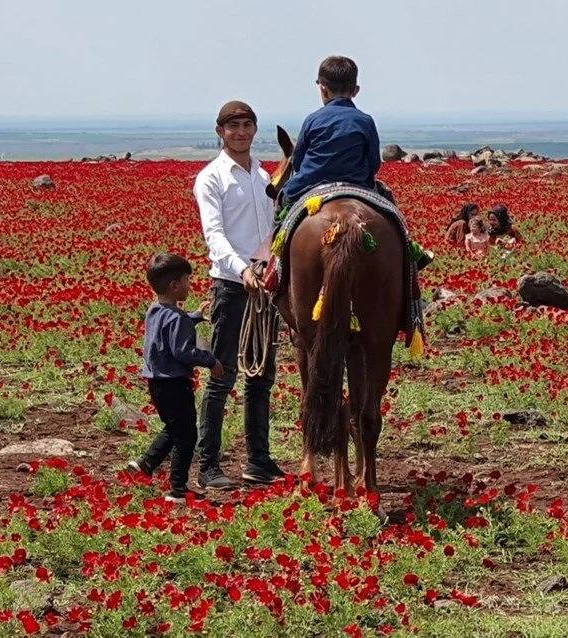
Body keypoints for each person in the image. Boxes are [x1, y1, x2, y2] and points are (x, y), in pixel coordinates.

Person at [193, 100, 285, 489]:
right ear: (220, 131)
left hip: (266, 285)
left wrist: (271, 266)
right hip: (232, 285)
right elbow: (214, 236)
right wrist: (243, 269)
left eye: (247, 125)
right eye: (233, 126)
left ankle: (258, 462)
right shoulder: (212, 178)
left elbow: (276, 226)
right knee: (222, 376)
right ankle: (208, 465)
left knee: (261, 374)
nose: (241, 132)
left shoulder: (264, 175)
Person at [277, 55, 433, 268]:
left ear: (322, 89)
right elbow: (373, 163)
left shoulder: (312, 119)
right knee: (392, 213)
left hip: (311, 185)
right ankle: (410, 248)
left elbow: (298, 160)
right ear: (356, 90)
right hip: (358, 185)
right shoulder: (366, 121)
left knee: (282, 205)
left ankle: (272, 264)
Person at [129, 253, 224, 503]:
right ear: (174, 286)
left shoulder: (154, 310)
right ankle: (177, 489)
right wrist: (210, 360)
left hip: (156, 383)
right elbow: (182, 351)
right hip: (175, 383)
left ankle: (146, 464)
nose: (189, 286)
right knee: (186, 435)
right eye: (187, 281)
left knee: (174, 428)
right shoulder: (177, 318)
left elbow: (170, 325)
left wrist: (192, 317)